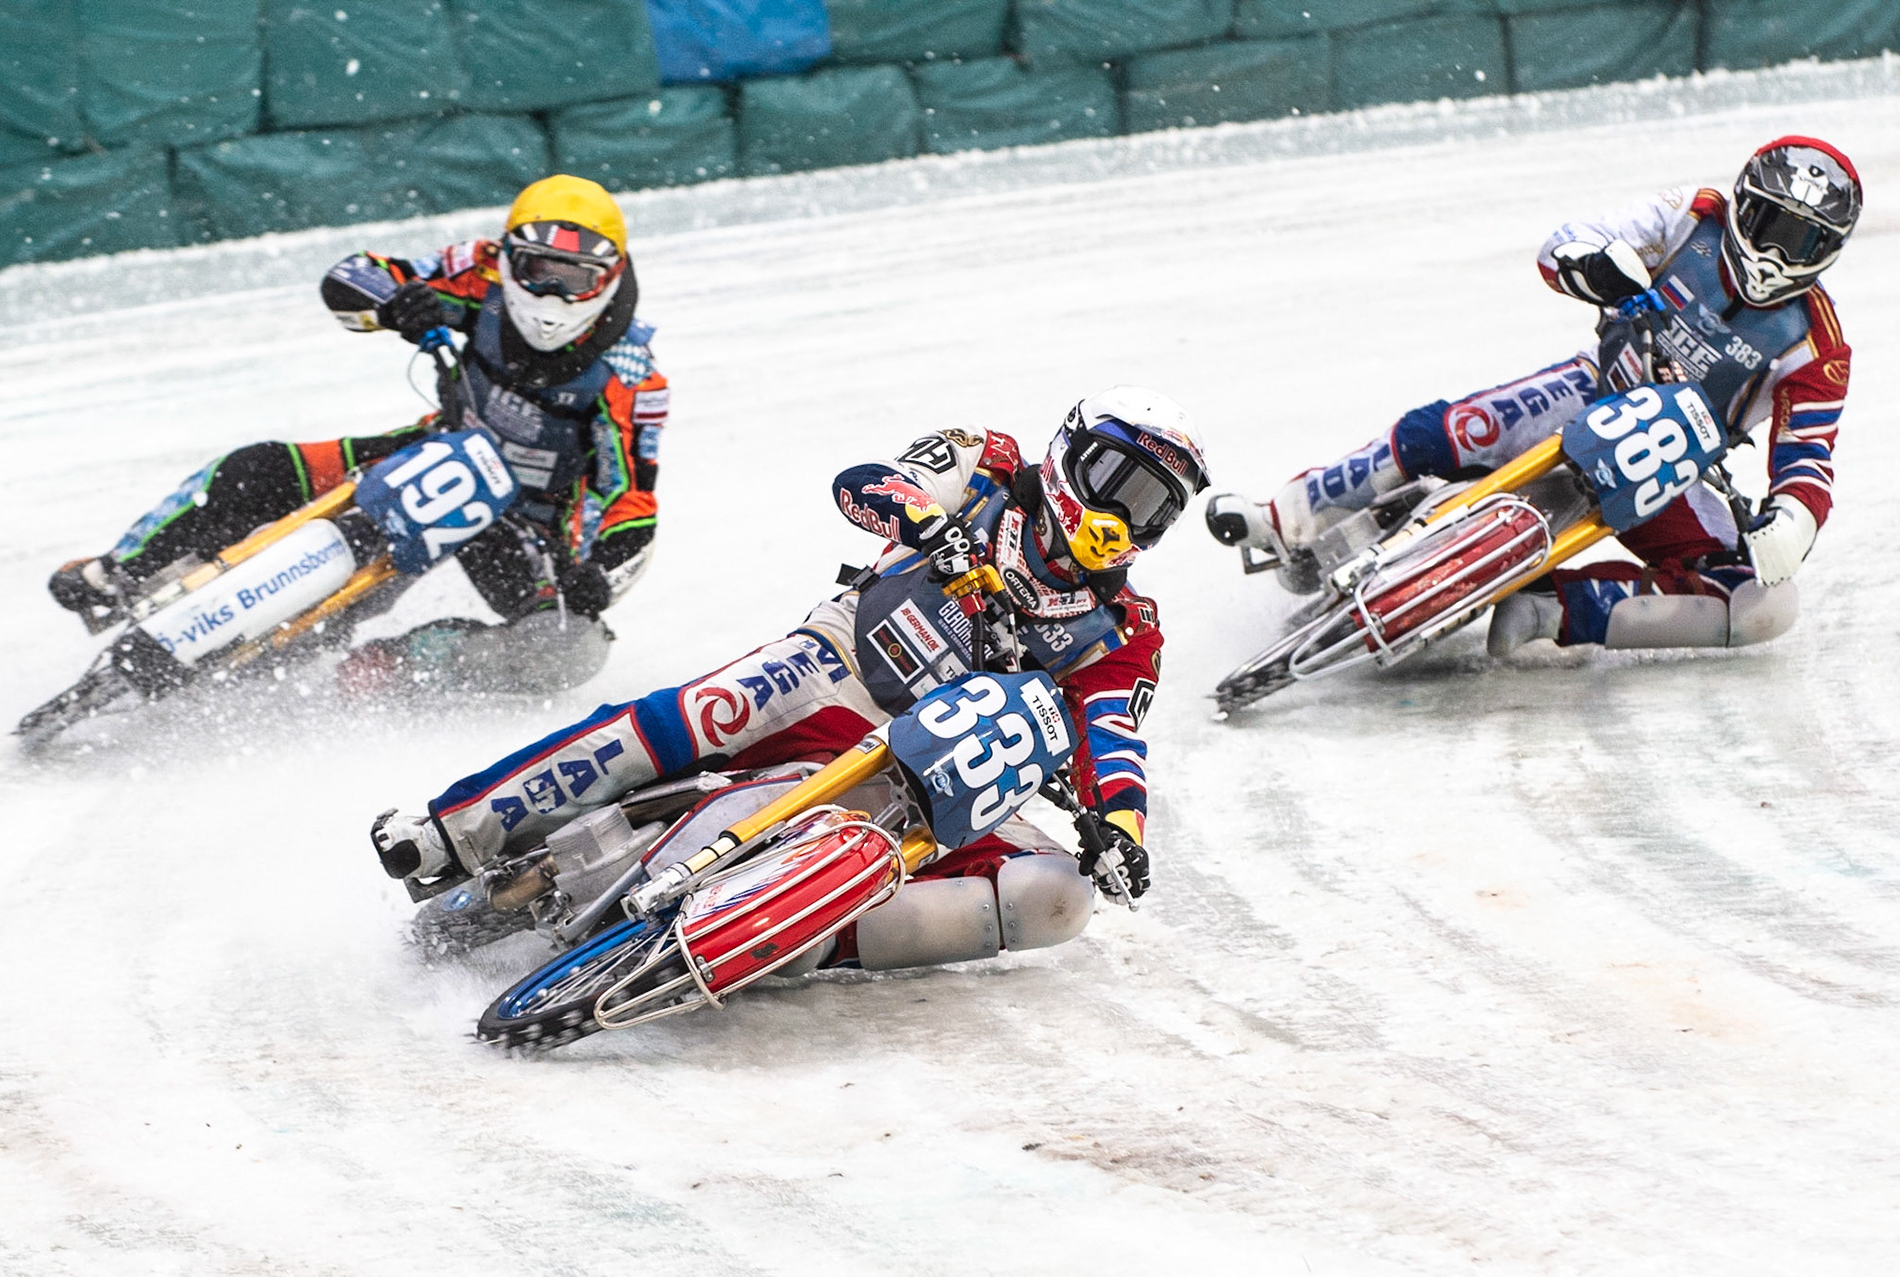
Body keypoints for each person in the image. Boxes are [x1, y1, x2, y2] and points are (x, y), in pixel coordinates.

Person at [372, 387, 1209, 970]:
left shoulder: (1127, 628)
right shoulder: (986, 464)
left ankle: (797, 943)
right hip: (837, 664)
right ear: (1069, 453)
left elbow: (1112, 734)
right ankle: (450, 827)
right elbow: (866, 484)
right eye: (1118, 483)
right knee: (698, 712)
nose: (1125, 516)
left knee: (1056, 896)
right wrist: (929, 525)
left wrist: (1122, 830)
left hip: (934, 771)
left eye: (1153, 508)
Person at [1208, 137, 1857, 656]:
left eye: (1801, 240)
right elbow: (1568, 241)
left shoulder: (1817, 345)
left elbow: (1808, 457)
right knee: (1448, 431)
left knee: (1760, 605)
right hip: (1590, 387)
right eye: (1768, 224)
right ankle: (1285, 517)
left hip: (1674, 466)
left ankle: (1549, 609)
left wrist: (1792, 521)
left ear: (1827, 252)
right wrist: (1595, 265)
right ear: (1742, 203)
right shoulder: (1692, 214)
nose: (1776, 253)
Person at [47, 174, 669, 695]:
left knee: (565, 649)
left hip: (531, 524)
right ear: (509, 258)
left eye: (575, 277)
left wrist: (598, 576)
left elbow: (633, 501)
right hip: (433, 452)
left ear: (609, 276)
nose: (553, 293)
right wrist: (397, 305)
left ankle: (401, 663)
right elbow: (356, 274)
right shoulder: (477, 271)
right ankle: (122, 572)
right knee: (258, 469)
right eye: (539, 270)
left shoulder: (632, 377)